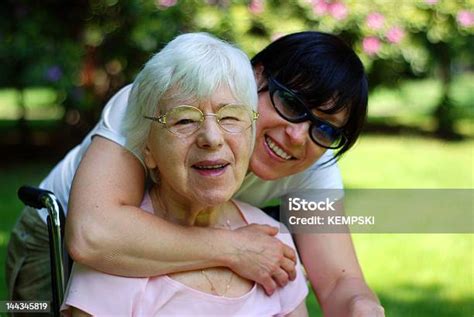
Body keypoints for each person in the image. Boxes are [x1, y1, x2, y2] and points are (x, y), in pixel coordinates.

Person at [7, 31, 384, 316]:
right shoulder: (159, 103)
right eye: (291, 103)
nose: (298, 135)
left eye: (327, 128)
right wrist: (235, 249)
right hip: (59, 229)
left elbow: (337, 279)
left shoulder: (313, 161)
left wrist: (362, 306)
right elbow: (93, 235)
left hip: (195, 227)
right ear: (254, 77)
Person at [61, 32, 308, 316]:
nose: (212, 138)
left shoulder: (273, 241)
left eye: (230, 117)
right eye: (185, 119)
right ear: (148, 151)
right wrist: (233, 249)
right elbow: (89, 237)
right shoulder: (116, 255)